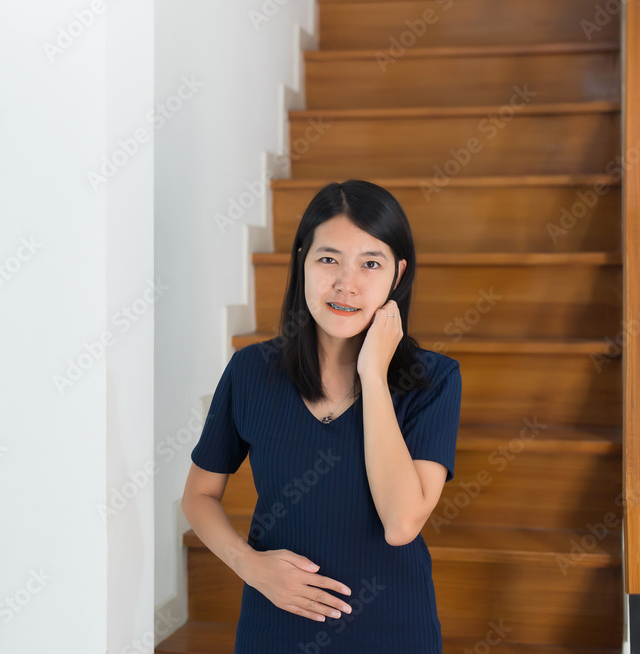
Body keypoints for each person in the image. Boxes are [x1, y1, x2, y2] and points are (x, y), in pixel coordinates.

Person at [181, 179, 462, 652]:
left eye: (370, 263)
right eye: (328, 259)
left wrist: (373, 376)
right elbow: (198, 495)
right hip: (276, 623)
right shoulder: (251, 371)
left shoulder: (433, 380)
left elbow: (401, 524)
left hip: (392, 629)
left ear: (397, 275)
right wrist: (250, 566)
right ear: (302, 262)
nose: (346, 283)